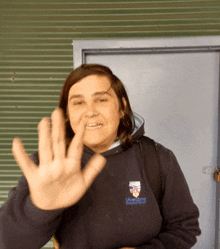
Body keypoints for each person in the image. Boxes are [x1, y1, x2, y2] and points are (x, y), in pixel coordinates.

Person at [0, 64, 201, 249]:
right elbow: (8, 241)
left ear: (122, 107)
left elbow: (185, 228)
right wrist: (39, 209)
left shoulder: (157, 157)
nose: (90, 112)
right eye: (78, 103)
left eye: (101, 99)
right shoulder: (49, 164)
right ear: (67, 114)